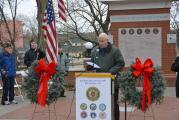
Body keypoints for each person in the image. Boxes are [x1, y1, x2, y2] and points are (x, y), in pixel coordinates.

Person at [90, 33, 125, 120]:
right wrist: (90, 66)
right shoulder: (94, 51)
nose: (101, 43)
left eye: (102, 41)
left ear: (107, 41)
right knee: (101, 104)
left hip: (112, 82)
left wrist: (110, 72)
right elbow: (92, 63)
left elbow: (121, 63)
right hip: (99, 83)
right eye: (99, 41)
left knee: (114, 105)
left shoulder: (115, 50)